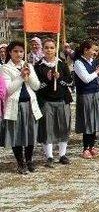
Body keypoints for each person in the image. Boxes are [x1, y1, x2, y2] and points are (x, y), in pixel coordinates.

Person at [0, 41, 41, 174]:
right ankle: (20, 162)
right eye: (15, 51)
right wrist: (21, 77)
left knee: (30, 133)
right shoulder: (5, 68)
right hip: (15, 105)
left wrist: (28, 76)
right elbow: (8, 90)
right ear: (10, 52)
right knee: (16, 135)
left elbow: (36, 86)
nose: (19, 54)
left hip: (29, 104)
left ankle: (29, 160)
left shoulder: (28, 65)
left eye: (21, 51)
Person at [35, 38, 74, 167]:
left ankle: (62, 155)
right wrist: (47, 80)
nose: (49, 50)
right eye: (46, 47)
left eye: (52, 48)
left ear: (55, 49)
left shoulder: (61, 64)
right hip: (46, 101)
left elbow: (70, 81)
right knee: (47, 128)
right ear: (43, 49)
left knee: (63, 127)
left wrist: (60, 78)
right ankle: (50, 157)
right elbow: (36, 85)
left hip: (62, 100)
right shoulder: (38, 66)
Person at [73, 40, 99, 159]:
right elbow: (86, 79)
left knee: (94, 120)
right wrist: (97, 71)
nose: (95, 52)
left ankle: (92, 146)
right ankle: (85, 148)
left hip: (95, 93)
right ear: (86, 50)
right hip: (85, 95)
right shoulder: (78, 63)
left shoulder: (94, 62)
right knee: (88, 121)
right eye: (93, 50)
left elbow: (97, 80)